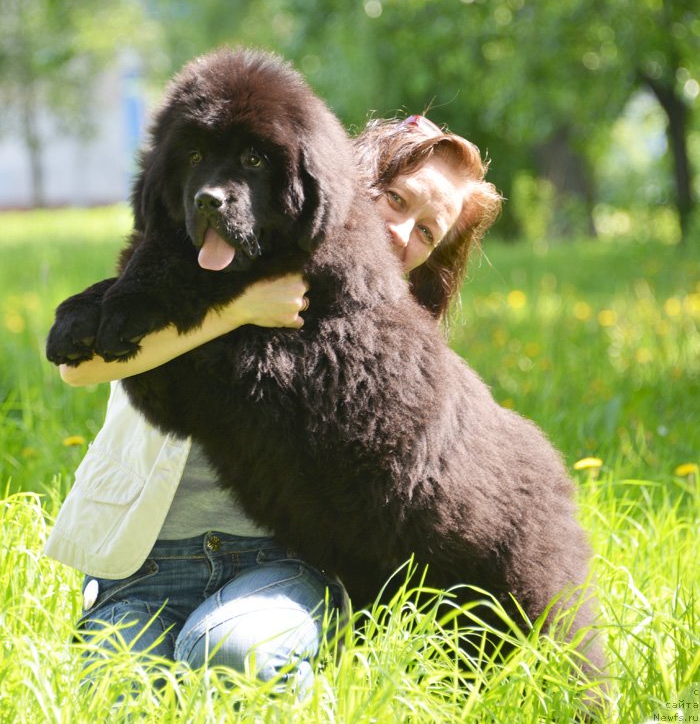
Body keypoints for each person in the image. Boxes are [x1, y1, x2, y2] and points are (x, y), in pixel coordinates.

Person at [46, 115, 502, 694]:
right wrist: (238, 309)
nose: (399, 231)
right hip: (143, 563)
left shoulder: (391, 348)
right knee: (116, 694)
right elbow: (80, 365)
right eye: (395, 198)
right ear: (349, 176)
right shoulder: (210, 239)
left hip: (279, 566)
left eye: (426, 233)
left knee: (233, 658)